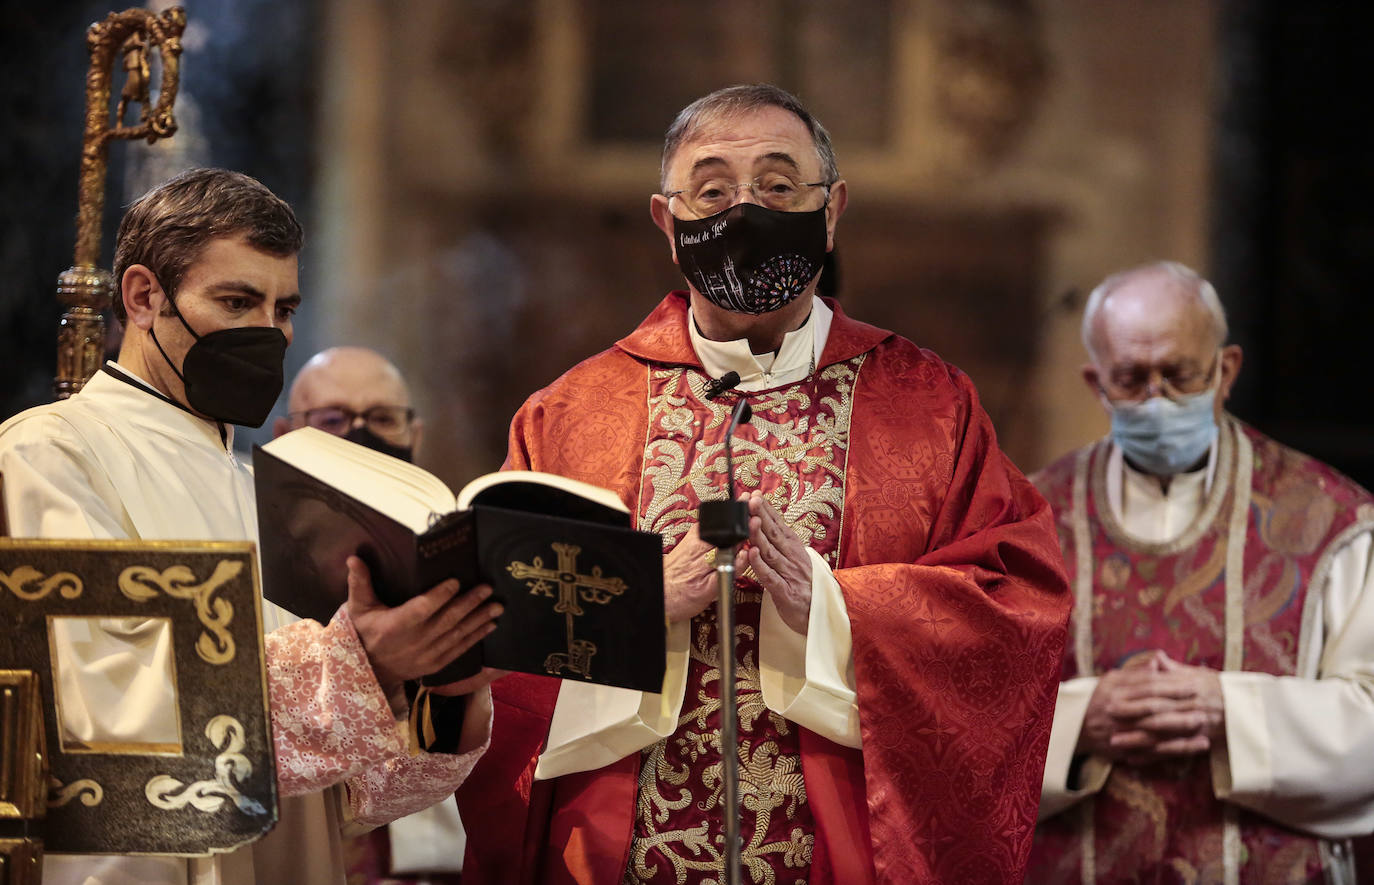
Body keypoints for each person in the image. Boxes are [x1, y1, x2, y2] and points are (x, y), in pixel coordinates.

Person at [457, 84, 1072, 884]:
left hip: (838, 848)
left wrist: (837, 609)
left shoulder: (929, 406)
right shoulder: (573, 413)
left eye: (780, 187)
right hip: (621, 852)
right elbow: (488, 625)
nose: (745, 211)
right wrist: (628, 599)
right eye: (711, 191)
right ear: (666, 220)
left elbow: (1016, 607)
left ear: (833, 208)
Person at [0, 168, 501, 885]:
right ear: (144, 297)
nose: (269, 332)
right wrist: (359, 664)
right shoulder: (51, 453)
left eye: (284, 308)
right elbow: (99, 711)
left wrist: (441, 685)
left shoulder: (267, 490)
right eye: (237, 301)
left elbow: (356, 802)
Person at [1025, 261, 1374, 883]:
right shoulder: (1027, 520)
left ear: (1226, 371)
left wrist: (1227, 710)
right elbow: (965, 717)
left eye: (1180, 375)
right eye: (1131, 379)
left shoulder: (1331, 521)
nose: (1157, 400)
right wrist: (1084, 718)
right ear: (1095, 382)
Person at [275, 345, 466, 884]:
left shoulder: (454, 549)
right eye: (332, 419)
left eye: (382, 418)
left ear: (415, 435)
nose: (360, 433)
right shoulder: (253, 547)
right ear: (286, 435)